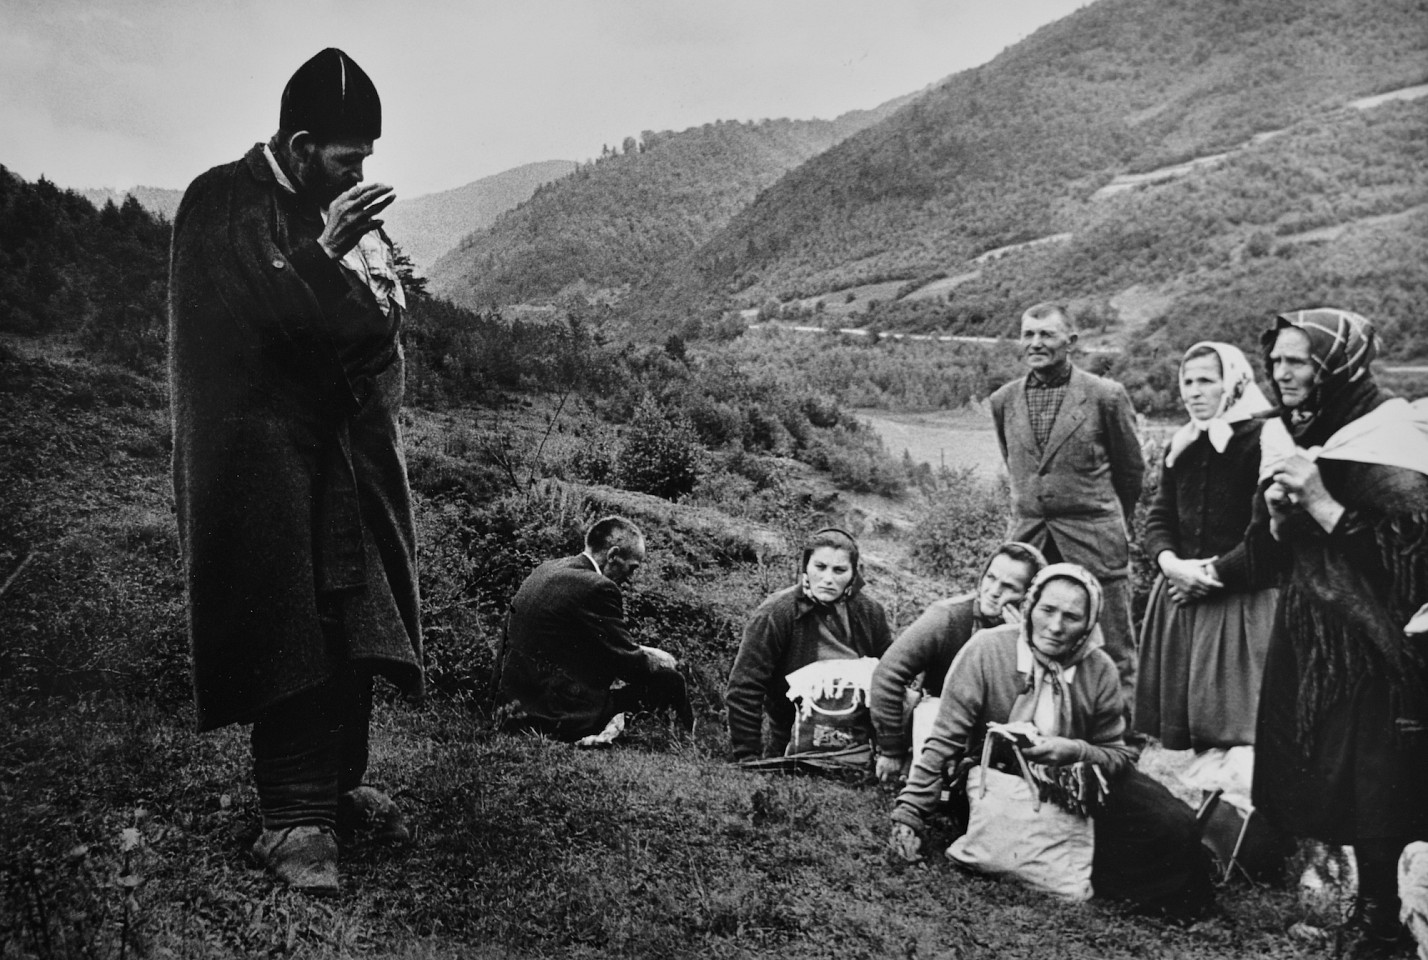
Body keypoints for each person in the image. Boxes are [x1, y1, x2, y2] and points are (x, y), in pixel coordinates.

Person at [169, 48, 420, 895]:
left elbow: (358, 333)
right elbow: (258, 327)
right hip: (263, 468)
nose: (359, 175)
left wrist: (357, 276)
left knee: (355, 627)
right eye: (349, 159)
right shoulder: (221, 204)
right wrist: (324, 250)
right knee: (294, 631)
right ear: (304, 142)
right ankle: (291, 823)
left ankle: (334, 796)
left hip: (341, 463)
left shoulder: (330, 214)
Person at [1245, 309, 1428, 952]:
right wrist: (1275, 517)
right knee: (1328, 770)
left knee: (1376, 781)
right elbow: (1269, 557)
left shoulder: (1393, 440)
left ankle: (1382, 922)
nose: (1282, 372)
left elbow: (1414, 565)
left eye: (1299, 361)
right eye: (1277, 359)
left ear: (1339, 366)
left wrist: (1322, 503)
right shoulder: (1304, 432)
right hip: (1314, 635)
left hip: (1377, 643)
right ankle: (1360, 906)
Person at [889, 564, 1214, 920]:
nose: (1057, 627)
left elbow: (1119, 753)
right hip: (998, 781)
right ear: (1030, 607)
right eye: (1048, 610)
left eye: (1072, 617)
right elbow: (944, 739)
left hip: (1075, 780)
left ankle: (1163, 896)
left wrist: (1072, 750)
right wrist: (910, 814)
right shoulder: (987, 650)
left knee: (1173, 820)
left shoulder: (1099, 668)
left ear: (1089, 624)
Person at [989, 302, 1145, 710]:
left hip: (1094, 540)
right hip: (1030, 540)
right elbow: (1020, 470)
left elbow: (1131, 474)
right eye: (1028, 334)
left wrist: (1103, 522)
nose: (1036, 343)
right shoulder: (1003, 400)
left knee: (1111, 647)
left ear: (1070, 341)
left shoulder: (1105, 396)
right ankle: (1026, 731)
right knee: (1019, 637)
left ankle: (1118, 746)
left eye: (1047, 335)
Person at [1136, 342, 1281, 750]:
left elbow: (1268, 533)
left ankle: (1239, 812)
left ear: (1232, 383)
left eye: (1206, 381)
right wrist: (1169, 564)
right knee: (1198, 729)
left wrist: (1210, 575)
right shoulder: (1182, 444)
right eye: (1187, 381)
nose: (1194, 391)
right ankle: (1209, 809)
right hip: (1182, 597)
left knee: (1240, 729)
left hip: (1242, 602)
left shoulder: (1265, 437)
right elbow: (1160, 517)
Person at [497, 517, 693, 742]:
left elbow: (585, 641)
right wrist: (655, 659)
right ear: (612, 555)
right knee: (671, 680)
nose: (630, 578)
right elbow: (628, 665)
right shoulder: (598, 587)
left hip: (512, 705)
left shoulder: (548, 568)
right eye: (632, 568)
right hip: (555, 713)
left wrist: (637, 650)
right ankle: (688, 742)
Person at [869, 542, 1046, 784]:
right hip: (943, 725)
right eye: (990, 578)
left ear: (1028, 597)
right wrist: (890, 749)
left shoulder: (1040, 637)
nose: (993, 591)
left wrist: (1019, 642)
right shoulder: (948, 617)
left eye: (1008, 587)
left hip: (998, 732)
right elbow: (888, 674)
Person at [726, 528, 892, 762]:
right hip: (792, 744)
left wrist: (889, 750)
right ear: (806, 567)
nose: (828, 578)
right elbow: (744, 687)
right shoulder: (777, 612)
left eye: (839, 570)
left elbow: (890, 678)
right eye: (820, 567)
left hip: (859, 746)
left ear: (854, 573)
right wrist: (748, 756)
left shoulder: (870, 612)